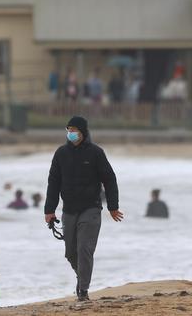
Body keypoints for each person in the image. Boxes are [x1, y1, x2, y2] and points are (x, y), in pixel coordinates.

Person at [45, 116, 123, 302]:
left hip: (91, 209)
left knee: (84, 249)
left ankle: (83, 291)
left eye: (74, 130)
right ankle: (82, 277)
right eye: (68, 130)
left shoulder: (96, 153)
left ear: (83, 132)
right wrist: (49, 210)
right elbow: (53, 182)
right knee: (71, 252)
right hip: (69, 210)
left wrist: (113, 207)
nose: (71, 133)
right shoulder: (61, 153)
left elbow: (109, 179)